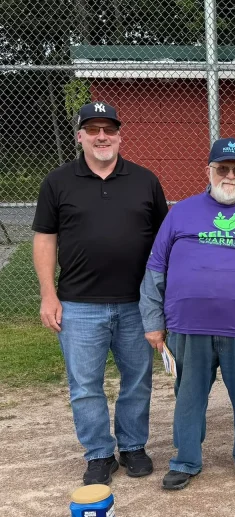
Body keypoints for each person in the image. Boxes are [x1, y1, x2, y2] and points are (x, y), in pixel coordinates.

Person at [139, 138, 235, 490]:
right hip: (188, 326)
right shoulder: (181, 212)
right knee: (189, 394)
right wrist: (153, 322)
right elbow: (155, 271)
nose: (229, 176)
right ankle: (185, 460)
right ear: (208, 171)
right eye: (222, 169)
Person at [32, 101, 168, 485]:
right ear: (80, 136)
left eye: (109, 129)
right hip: (78, 303)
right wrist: (48, 294)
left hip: (136, 303)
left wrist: (161, 298)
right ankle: (98, 455)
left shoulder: (145, 180)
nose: (102, 136)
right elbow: (44, 240)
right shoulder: (58, 182)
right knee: (85, 385)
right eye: (93, 130)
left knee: (137, 379)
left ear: (120, 136)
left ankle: (133, 447)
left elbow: (163, 242)